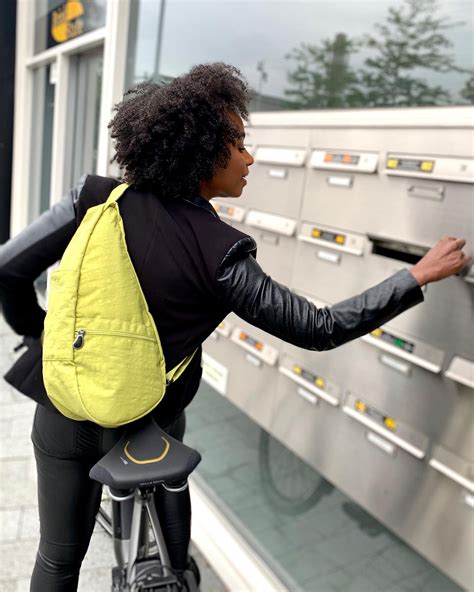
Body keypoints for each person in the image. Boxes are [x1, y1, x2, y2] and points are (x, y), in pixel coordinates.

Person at [0, 63, 470, 592]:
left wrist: (40, 335)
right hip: (149, 414)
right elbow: (318, 327)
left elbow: (10, 269)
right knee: (171, 477)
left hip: (61, 409)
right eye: (239, 143)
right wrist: (415, 275)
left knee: (58, 561)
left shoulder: (95, 197)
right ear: (201, 151)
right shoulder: (220, 250)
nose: (250, 157)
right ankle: (178, 568)